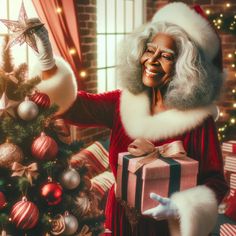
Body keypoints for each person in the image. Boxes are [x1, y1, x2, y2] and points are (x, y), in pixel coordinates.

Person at [30, 2, 228, 236]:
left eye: (165, 55)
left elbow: (216, 182)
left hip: (166, 229)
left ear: (185, 67)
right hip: (118, 219)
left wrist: (180, 207)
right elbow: (73, 107)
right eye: (149, 50)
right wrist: (47, 62)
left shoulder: (198, 121)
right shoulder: (122, 102)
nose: (152, 61)